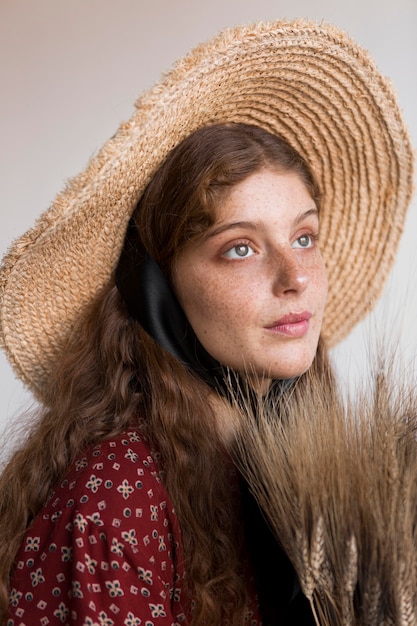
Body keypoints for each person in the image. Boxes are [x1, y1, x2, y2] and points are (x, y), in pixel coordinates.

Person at [0, 19, 413, 626]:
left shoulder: (285, 484)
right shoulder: (119, 496)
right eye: (240, 247)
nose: (294, 275)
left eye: (304, 236)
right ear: (158, 289)